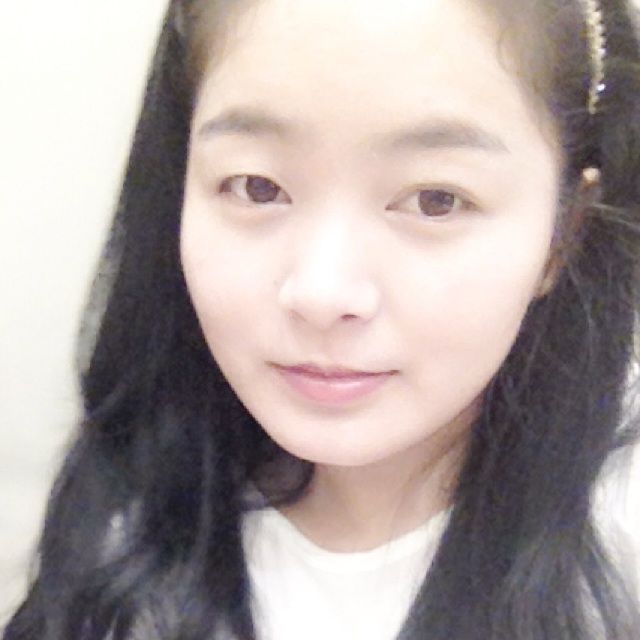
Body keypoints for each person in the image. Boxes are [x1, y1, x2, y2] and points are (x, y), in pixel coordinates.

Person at [4, 0, 640, 638]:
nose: (321, 293)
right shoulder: (128, 517)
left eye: (436, 200)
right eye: (256, 187)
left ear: (563, 234)